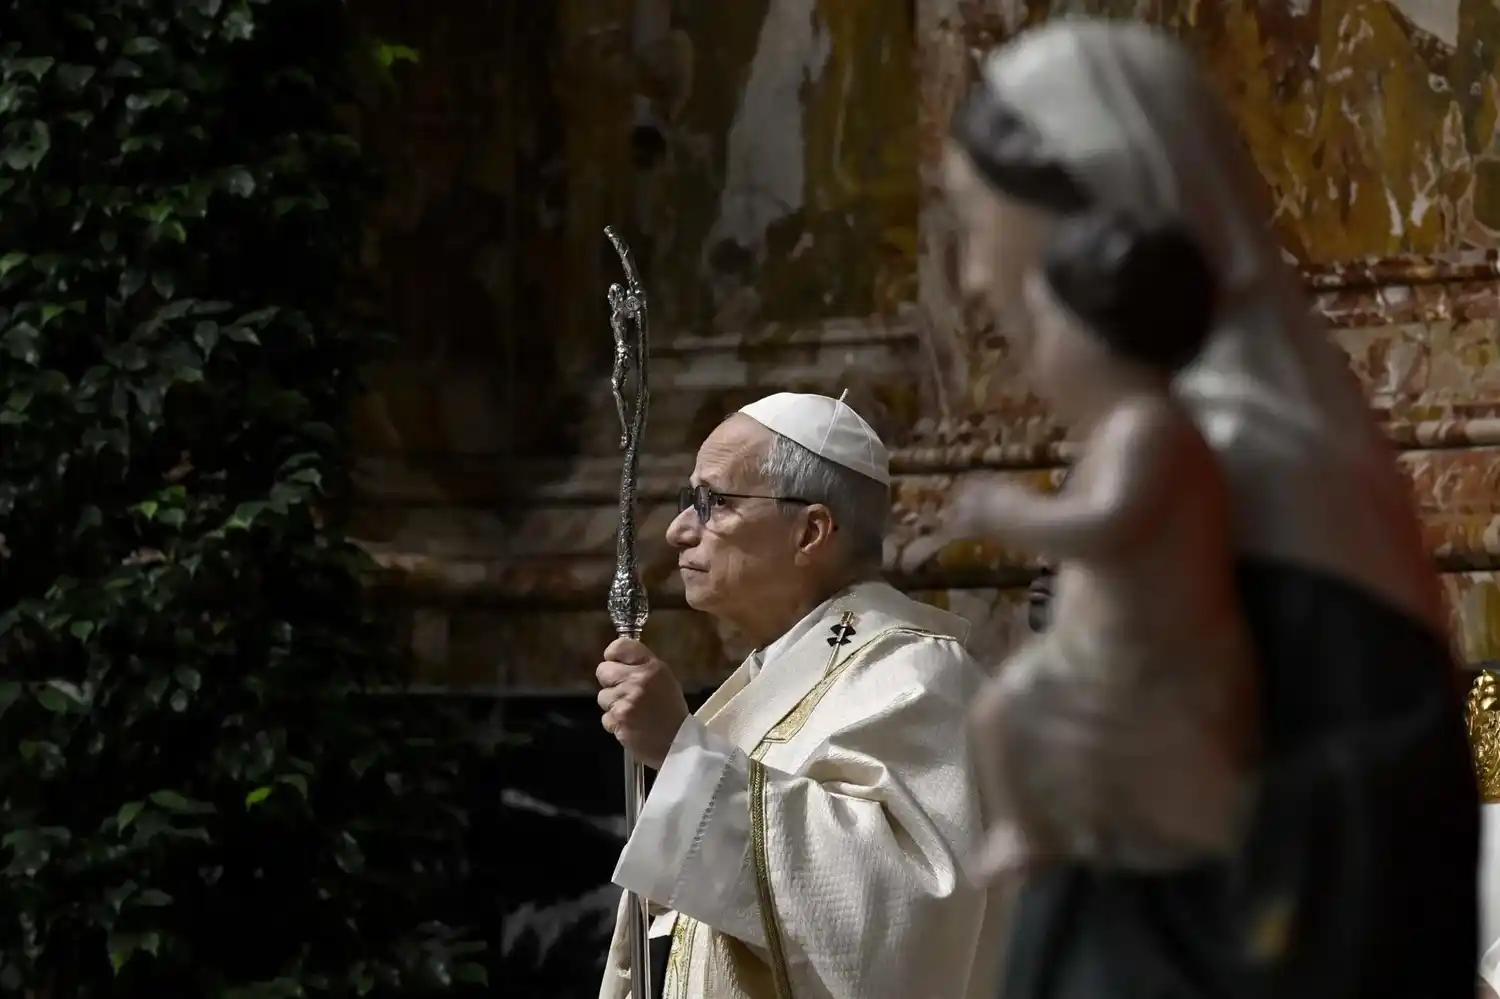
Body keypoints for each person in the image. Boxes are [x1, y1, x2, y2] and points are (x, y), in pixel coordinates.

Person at [932, 19, 1478, 999]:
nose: (974, 277)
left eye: (977, 222)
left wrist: (1176, 795)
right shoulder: (1164, 443)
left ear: (1091, 210)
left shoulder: (1270, 467)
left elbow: (1386, 830)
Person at [593, 391, 1005, 999]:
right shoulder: (773, 676)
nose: (680, 531)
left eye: (715, 503)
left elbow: (905, 919)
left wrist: (683, 759)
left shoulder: (918, 677)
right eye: (689, 501)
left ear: (810, 531)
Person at [932, 210, 1256, 879]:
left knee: (1014, 708)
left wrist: (1013, 512)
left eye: (1049, 325)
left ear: (1104, 338)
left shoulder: (1151, 429)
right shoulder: (1115, 431)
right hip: (1093, 648)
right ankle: (1025, 827)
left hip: (1150, 654)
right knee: (998, 709)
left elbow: (1108, 524)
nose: (1033, 347)